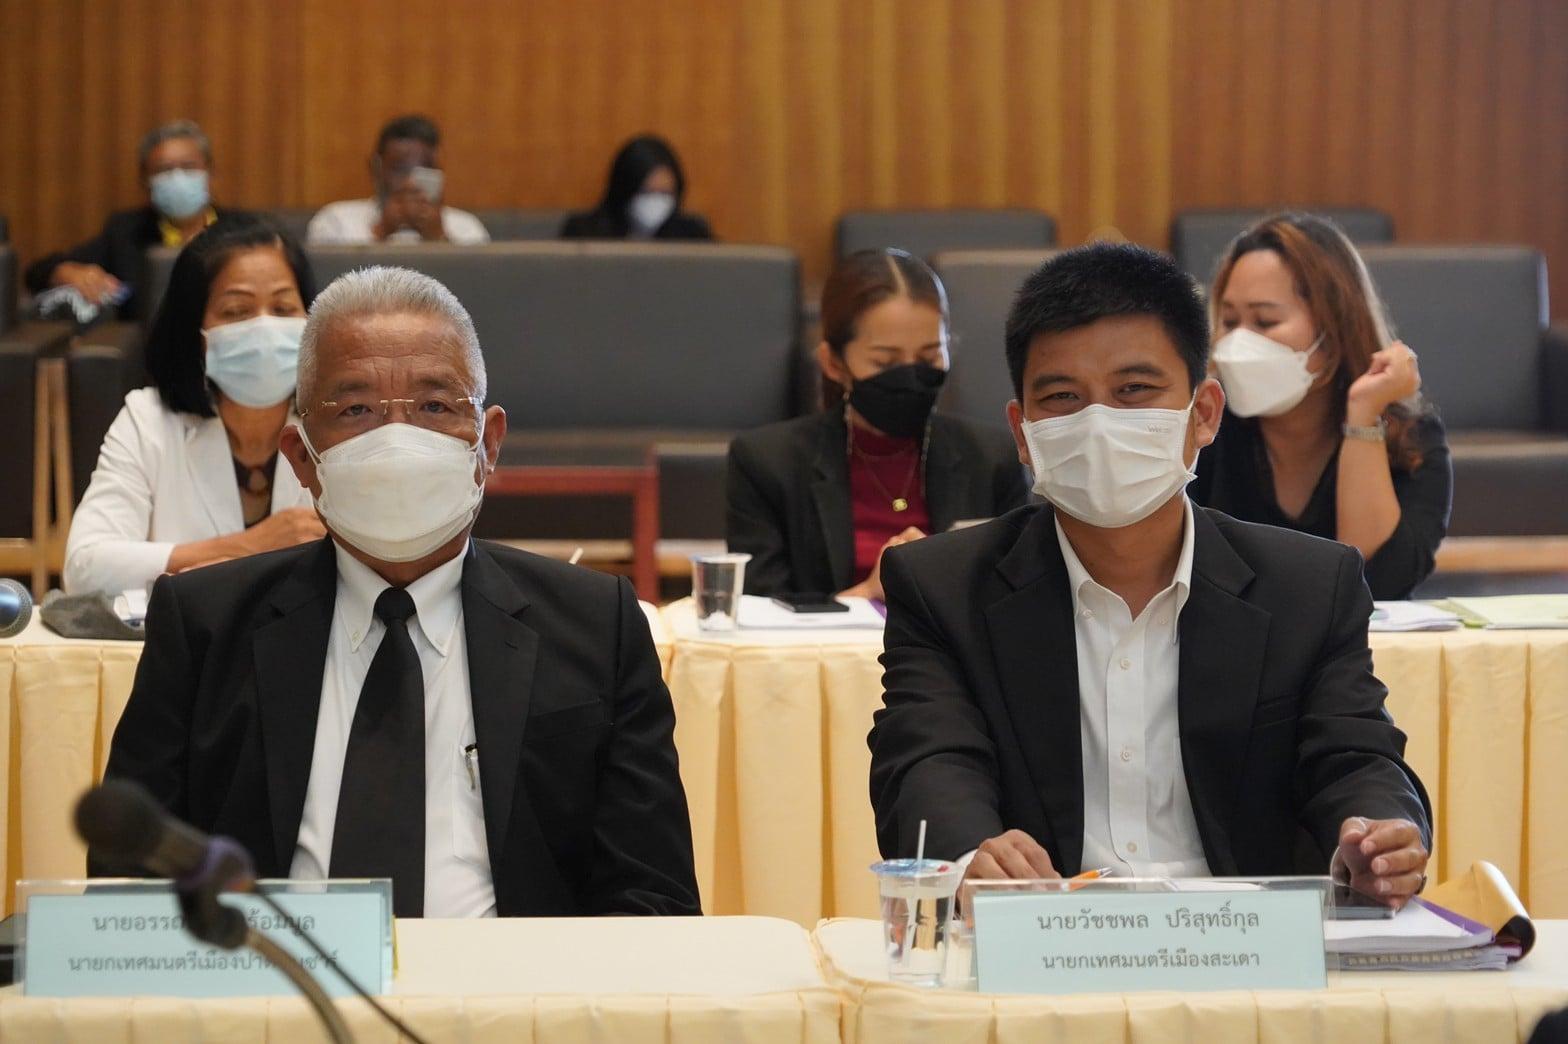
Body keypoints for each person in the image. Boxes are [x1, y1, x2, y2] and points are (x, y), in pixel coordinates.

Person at [97, 265, 700, 919]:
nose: (396, 440)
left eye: (435, 407)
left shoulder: (598, 627)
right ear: (302, 457)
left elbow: (654, 899)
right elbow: (128, 895)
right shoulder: (203, 626)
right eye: (355, 410)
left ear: (488, 444)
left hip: (514, 981)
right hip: (272, 976)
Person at [868, 244, 1432, 907]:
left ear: (1204, 413)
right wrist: (970, 854)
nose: (1099, 422)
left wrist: (1375, 835)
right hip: (1047, 932)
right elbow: (926, 760)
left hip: (1243, 938)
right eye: (1062, 397)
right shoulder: (942, 587)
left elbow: (1355, 756)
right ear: (1022, 433)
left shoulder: (1308, 586)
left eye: (1134, 390)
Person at [726, 249, 1028, 599]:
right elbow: (761, 609)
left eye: (930, 355)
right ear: (833, 363)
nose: (911, 375)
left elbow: (1019, 591)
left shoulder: (992, 459)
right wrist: (870, 591)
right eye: (886, 362)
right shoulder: (767, 463)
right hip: (839, 637)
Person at [1191, 213, 1452, 599]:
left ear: (1332, 334)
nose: (1237, 343)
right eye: (1229, 321)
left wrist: (1363, 414)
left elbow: (1375, 586)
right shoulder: (1206, 429)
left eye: (1265, 321)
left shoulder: (1411, 441)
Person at [64, 215, 324, 597]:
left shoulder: (340, 424)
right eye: (236, 311)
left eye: (283, 309)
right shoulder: (148, 420)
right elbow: (85, 569)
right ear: (194, 331)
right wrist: (250, 546)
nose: (264, 328)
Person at [24, 120, 242, 320]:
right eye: (164, 170)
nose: (178, 178)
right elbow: (37, 272)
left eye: (188, 167)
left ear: (210, 171)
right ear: (145, 180)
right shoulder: (126, 232)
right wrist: (66, 272)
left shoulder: (244, 230)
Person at [306, 115, 490, 245]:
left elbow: (475, 284)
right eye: (400, 169)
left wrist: (439, 239)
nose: (410, 183)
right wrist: (380, 232)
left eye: (424, 170)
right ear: (375, 168)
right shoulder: (335, 221)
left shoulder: (466, 228)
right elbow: (332, 284)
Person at [559, 135, 713, 241]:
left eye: (665, 193)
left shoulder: (693, 236)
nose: (656, 202)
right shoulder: (583, 234)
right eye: (647, 192)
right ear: (625, 189)